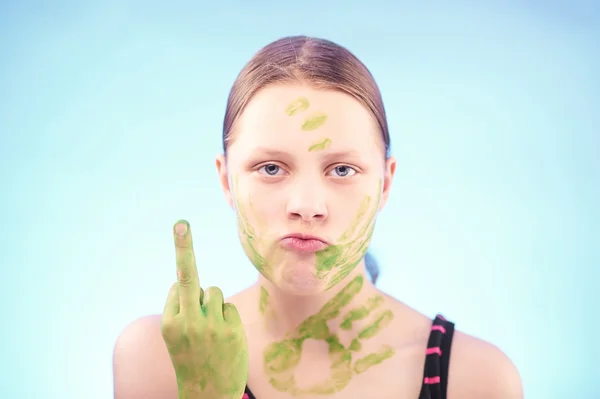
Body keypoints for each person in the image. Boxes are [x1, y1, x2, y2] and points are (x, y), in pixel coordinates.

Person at [112, 36, 523, 399]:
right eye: (271, 168)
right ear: (226, 181)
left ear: (385, 183)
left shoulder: (476, 379)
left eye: (341, 170)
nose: (307, 205)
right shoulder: (158, 359)